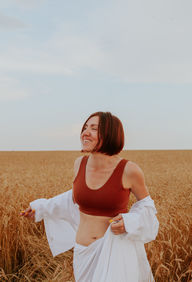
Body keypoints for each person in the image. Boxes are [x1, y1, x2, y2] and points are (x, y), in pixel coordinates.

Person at [20, 111, 159, 282]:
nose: (85, 132)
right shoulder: (79, 164)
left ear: (110, 134)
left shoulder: (129, 170)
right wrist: (41, 209)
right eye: (85, 127)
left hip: (114, 253)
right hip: (82, 254)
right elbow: (73, 199)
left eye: (94, 128)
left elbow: (147, 207)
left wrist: (129, 223)